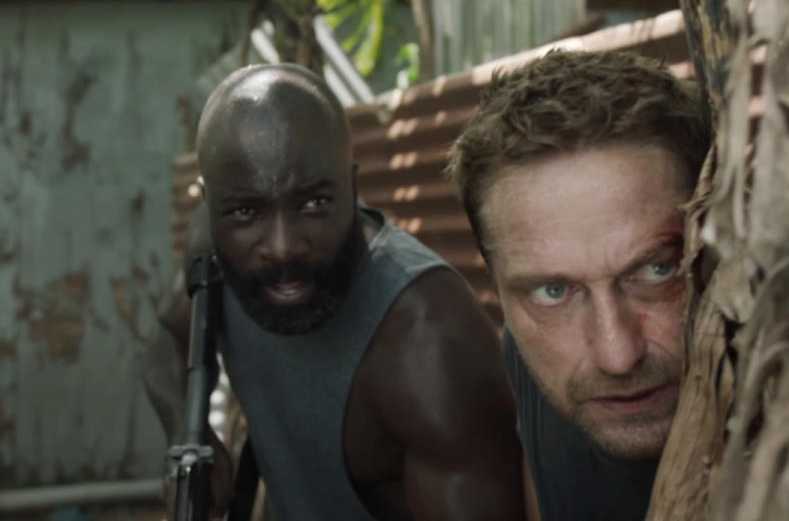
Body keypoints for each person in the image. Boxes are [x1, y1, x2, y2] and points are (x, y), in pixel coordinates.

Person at [139, 63, 526, 520]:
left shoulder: (430, 342)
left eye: (313, 203)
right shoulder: (214, 252)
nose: (282, 247)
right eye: (246, 211)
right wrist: (190, 435)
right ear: (210, 207)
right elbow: (166, 341)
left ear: (353, 185)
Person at [446, 49, 710, 520]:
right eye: (554, 292)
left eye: (656, 270)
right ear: (499, 288)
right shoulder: (524, 354)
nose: (618, 356)